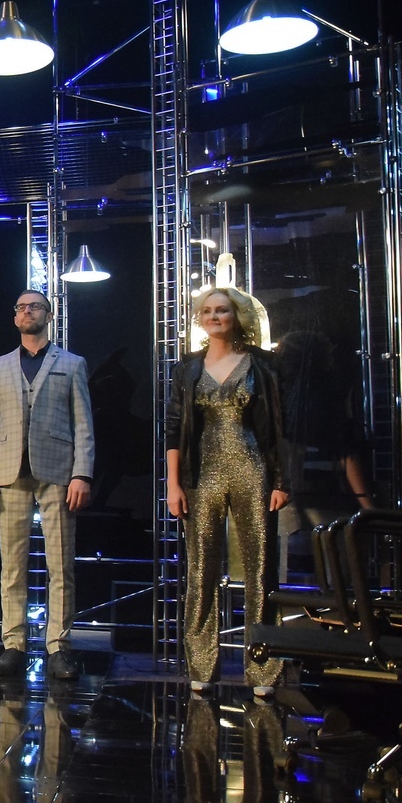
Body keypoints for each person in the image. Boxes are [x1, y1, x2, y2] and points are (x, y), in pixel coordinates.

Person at [165, 286, 288, 697]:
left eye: (222, 310)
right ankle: (201, 665)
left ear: (237, 316)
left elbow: (279, 426)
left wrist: (281, 481)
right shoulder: (187, 369)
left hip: (252, 468)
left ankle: (263, 669)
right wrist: (174, 484)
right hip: (202, 473)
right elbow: (174, 429)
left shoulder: (263, 364)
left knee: (260, 567)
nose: (214, 316)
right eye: (207, 311)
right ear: (199, 319)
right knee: (201, 569)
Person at [0, 290, 94, 681]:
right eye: (21, 307)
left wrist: (82, 473)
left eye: (34, 306)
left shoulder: (71, 363)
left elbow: (83, 424)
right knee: (12, 566)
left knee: (60, 565)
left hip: (57, 470)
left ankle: (58, 647)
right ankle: (14, 645)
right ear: (14, 317)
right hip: (9, 471)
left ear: (49, 315)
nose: (27, 312)